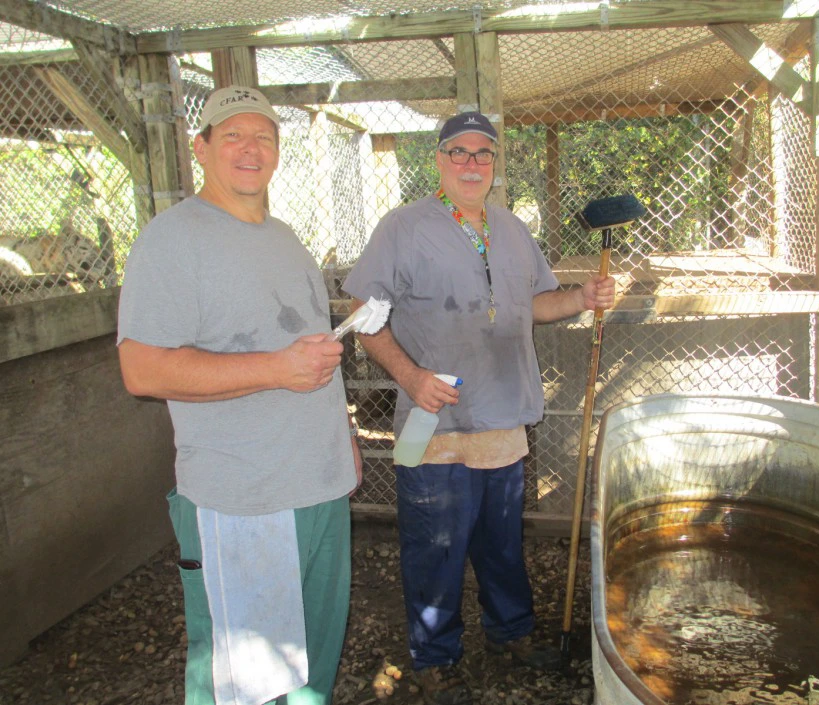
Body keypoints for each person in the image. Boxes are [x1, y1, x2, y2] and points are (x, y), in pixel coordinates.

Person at [342, 111, 615, 705]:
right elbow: (364, 314)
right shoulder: (404, 227)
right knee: (433, 545)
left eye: (482, 154)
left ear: (495, 164)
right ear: (438, 161)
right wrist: (411, 378)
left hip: (502, 416)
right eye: (458, 153)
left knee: (500, 540)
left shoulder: (511, 228)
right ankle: (435, 659)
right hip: (430, 421)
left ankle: (510, 634)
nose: (471, 164)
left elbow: (531, 306)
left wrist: (582, 298)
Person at [117, 86, 361, 705]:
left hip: (320, 488)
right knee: (245, 681)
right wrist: (277, 368)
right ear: (201, 149)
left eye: (265, 138)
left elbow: (312, 357)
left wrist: (346, 440)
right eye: (233, 136)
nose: (251, 149)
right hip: (243, 501)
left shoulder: (288, 240)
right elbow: (142, 370)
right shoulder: (173, 239)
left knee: (311, 669)